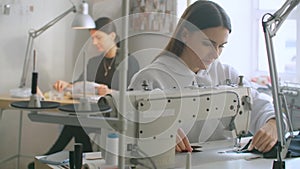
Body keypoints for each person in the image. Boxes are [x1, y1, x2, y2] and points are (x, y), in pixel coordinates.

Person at [128, 0, 279, 153]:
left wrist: (272, 123)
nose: (215, 54)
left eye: (221, 46)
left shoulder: (227, 74)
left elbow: (261, 106)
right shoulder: (150, 79)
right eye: (208, 44)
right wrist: (157, 136)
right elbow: (128, 135)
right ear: (185, 35)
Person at [28, 17, 140, 169]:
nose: (94, 43)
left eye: (98, 37)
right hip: (92, 113)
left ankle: (49, 157)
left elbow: (133, 94)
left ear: (112, 36)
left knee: (77, 121)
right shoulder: (94, 62)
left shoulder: (129, 62)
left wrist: (111, 92)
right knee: (78, 121)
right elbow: (81, 84)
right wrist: (67, 85)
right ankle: (67, 160)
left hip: (115, 115)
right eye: (92, 38)